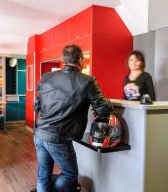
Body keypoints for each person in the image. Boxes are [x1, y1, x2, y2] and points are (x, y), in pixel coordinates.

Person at [33, 45, 112, 192]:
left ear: (63, 60)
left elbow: (37, 106)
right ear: (81, 60)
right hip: (59, 137)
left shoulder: (46, 77)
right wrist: (107, 103)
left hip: (39, 133)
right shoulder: (87, 81)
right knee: (71, 174)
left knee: (43, 175)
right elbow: (104, 109)